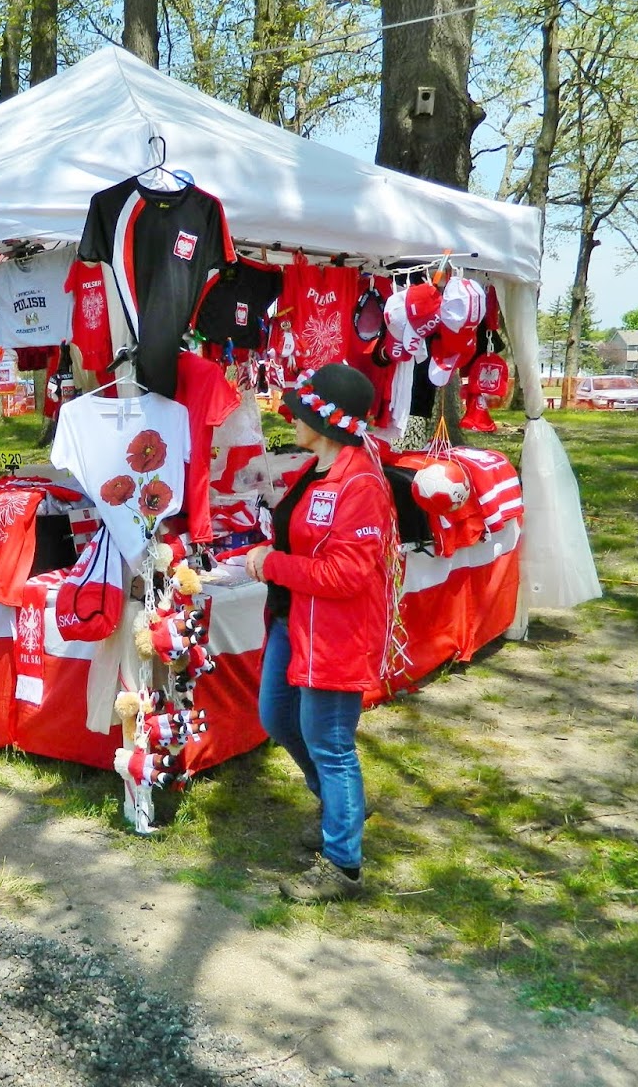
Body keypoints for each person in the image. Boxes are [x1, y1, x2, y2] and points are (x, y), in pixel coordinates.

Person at [245, 362, 396, 902]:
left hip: (334, 632)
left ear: (324, 420)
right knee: (277, 718)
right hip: (295, 621)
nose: (292, 416)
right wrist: (261, 554)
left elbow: (347, 574)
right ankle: (339, 806)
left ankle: (343, 864)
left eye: (301, 410)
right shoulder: (318, 469)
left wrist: (270, 565)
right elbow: (297, 541)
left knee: (330, 744)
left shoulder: (360, 483)